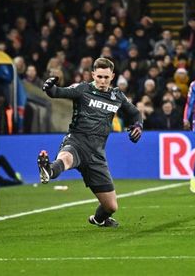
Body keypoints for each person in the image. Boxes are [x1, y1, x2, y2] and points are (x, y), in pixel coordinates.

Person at [38, 58, 143, 228]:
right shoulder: (82, 89)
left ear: (112, 76)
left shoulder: (117, 96)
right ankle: (48, 170)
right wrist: (50, 88)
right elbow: (59, 92)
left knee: (111, 206)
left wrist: (137, 126)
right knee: (65, 158)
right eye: (99, 76)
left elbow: (135, 114)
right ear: (93, 74)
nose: (102, 81)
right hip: (77, 142)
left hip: (97, 154)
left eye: (106, 77)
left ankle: (99, 219)